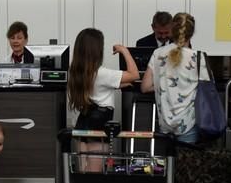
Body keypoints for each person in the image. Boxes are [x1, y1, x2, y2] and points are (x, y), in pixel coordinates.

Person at [67, 28, 139, 171]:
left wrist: (116, 85)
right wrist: (124, 51)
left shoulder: (77, 72)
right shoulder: (102, 73)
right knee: (95, 171)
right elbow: (134, 74)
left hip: (84, 120)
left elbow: (97, 88)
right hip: (99, 120)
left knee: (82, 169)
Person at [140, 12, 209, 143]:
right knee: (185, 162)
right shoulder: (198, 58)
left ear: (172, 30)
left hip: (165, 123)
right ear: (191, 33)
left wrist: (163, 83)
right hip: (188, 123)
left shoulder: (158, 53)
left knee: (165, 162)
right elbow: (206, 89)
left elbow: (145, 87)